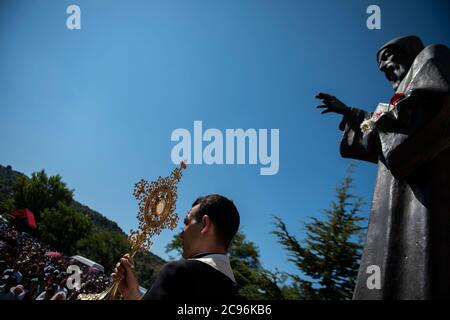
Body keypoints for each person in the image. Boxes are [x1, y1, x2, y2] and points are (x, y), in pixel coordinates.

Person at [315, 35, 450, 299]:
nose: (384, 66)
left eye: (388, 56)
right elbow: (373, 127)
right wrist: (350, 113)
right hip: (394, 196)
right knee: (391, 259)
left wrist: (376, 120)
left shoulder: (432, 57)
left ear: (410, 50)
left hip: (432, 184)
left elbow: (431, 103)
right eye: (380, 63)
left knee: (427, 257)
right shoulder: (391, 103)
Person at [112, 194, 240, 300]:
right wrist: (133, 294)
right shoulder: (233, 292)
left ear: (205, 225)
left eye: (187, 222)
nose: (182, 233)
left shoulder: (179, 273)